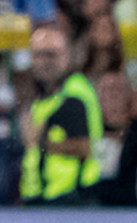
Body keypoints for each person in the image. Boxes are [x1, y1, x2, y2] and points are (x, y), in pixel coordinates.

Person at [20, 26, 102, 206]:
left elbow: (84, 147)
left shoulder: (74, 94)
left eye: (51, 54)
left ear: (66, 57)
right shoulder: (44, 97)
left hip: (68, 201)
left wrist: (38, 141)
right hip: (43, 198)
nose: (44, 62)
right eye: (38, 55)